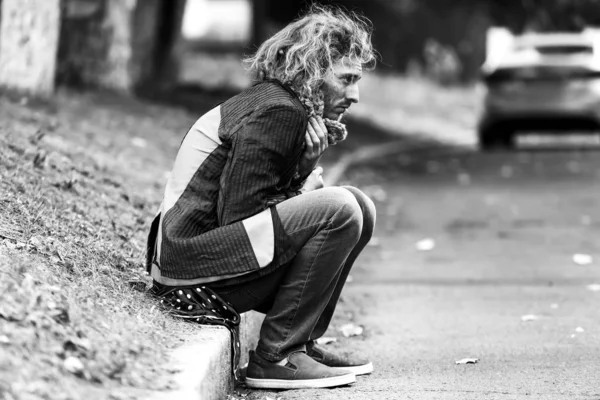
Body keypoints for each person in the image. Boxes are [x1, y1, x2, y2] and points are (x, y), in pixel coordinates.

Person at [146, 5, 377, 390]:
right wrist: (303, 185)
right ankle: (276, 356)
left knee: (359, 205)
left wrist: (301, 170)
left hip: (195, 262)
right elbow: (240, 215)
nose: (354, 95)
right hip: (192, 275)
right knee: (340, 207)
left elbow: (250, 212)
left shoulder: (278, 104)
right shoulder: (279, 112)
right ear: (313, 70)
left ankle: (300, 344)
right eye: (347, 78)